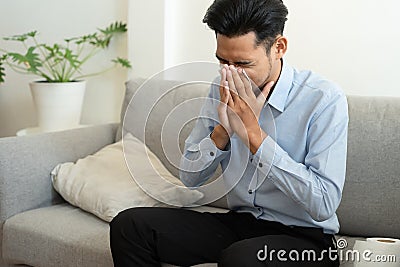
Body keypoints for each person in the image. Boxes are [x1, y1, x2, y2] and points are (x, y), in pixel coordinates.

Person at [110, 0, 348, 266]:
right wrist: (223, 131)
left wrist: (254, 136)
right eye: (223, 61)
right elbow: (190, 177)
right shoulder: (220, 88)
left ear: (278, 48)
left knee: (240, 259)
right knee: (130, 226)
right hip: (241, 224)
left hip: (307, 239)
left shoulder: (323, 99)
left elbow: (324, 203)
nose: (231, 74)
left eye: (243, 64)